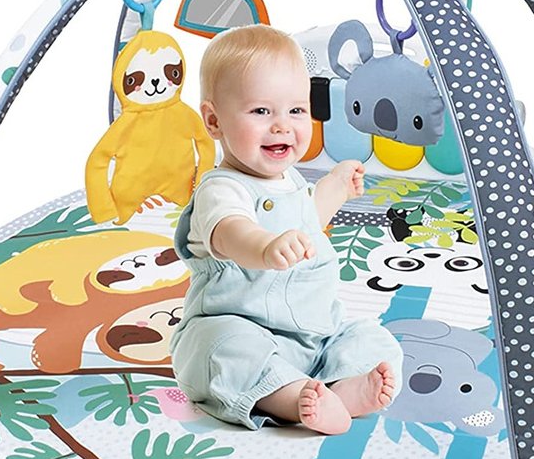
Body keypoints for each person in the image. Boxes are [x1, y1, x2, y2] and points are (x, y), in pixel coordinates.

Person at [170, 24, 403, 434]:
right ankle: (293, 400)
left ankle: (344, 387)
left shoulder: (290, 180)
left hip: (315, 335)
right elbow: (230, 232)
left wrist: (334, 189)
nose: (282, 126)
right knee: (222, 351)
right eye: (261, 112)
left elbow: (305, 222)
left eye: (296, 111)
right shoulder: (221, 189)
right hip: (240, 326)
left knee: (372, 338)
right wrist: (264, 247)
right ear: (214, 120)